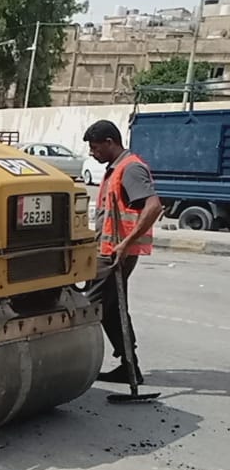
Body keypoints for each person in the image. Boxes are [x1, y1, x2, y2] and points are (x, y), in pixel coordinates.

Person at [83, 119, 163, 384]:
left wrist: (125, 244)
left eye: (95, 148)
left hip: (114, 253)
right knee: (113, 308)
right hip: (110, 249)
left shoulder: (130, 169)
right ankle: (130, 367)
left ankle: (69, 366)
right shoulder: (115, 168)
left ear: (110, 142)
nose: (92, 154)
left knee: (87, 307)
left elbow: (153, 207)